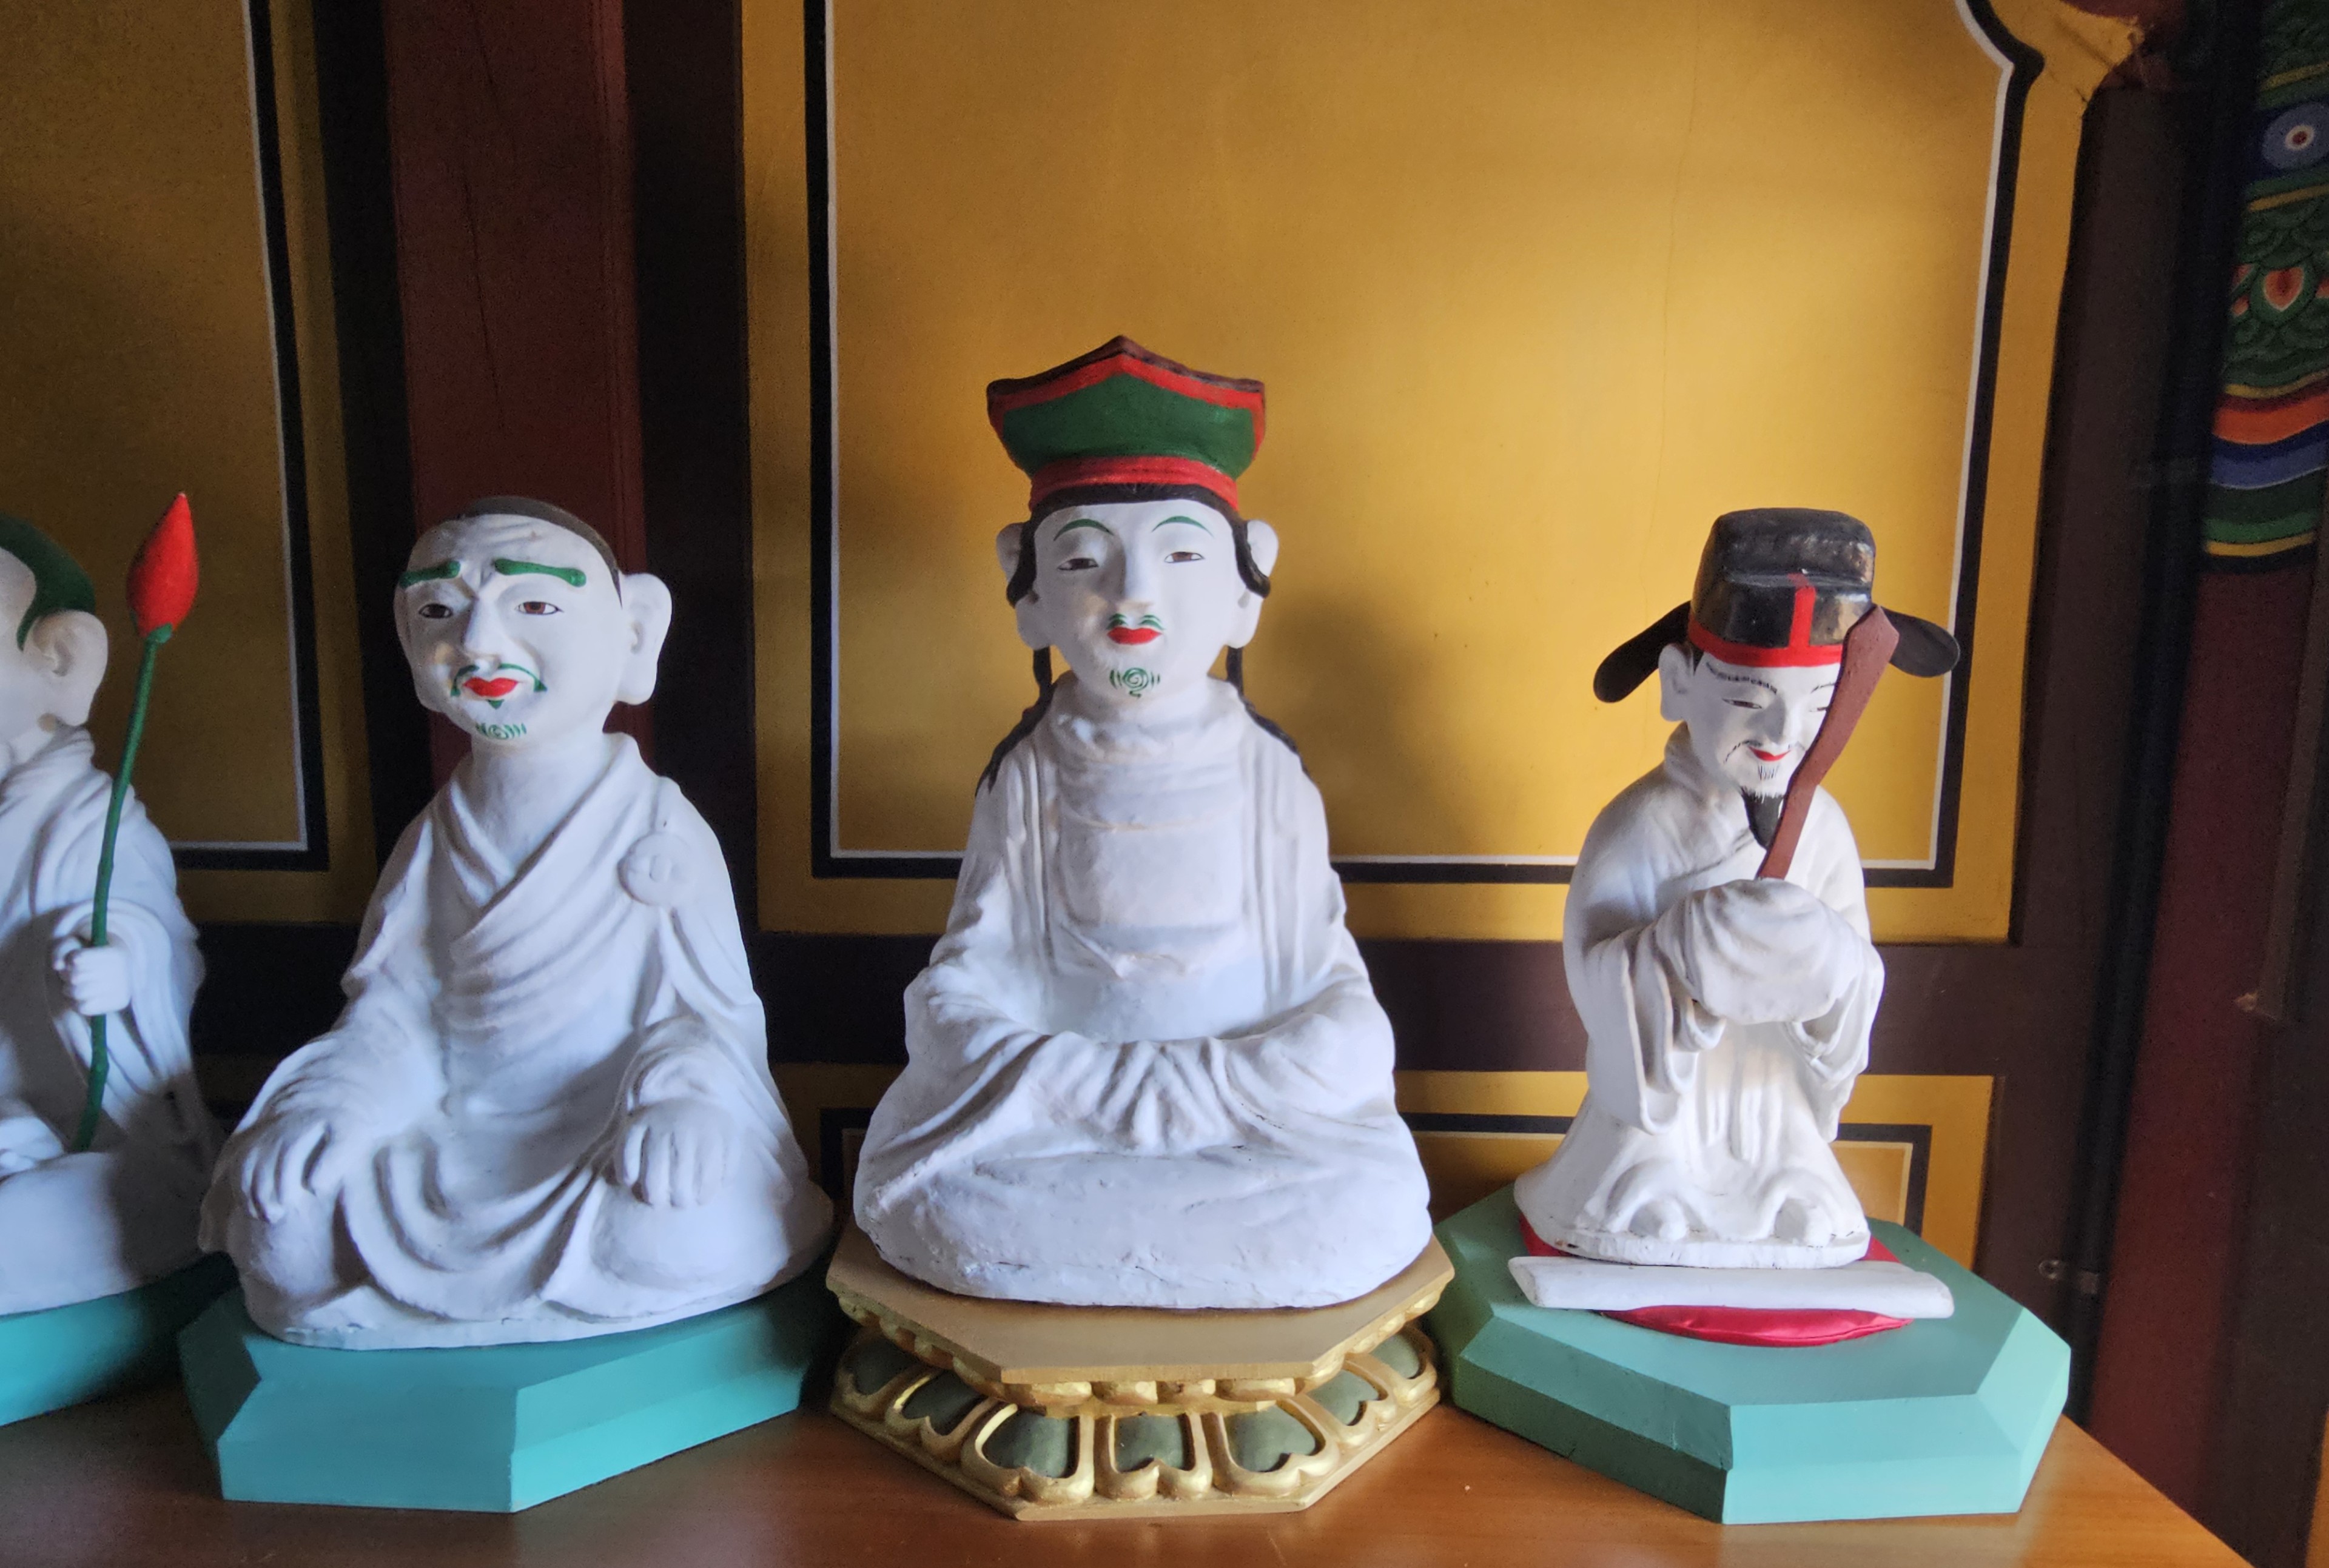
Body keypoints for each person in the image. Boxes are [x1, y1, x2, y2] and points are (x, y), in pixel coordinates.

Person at [855, 338, 1433, 1311]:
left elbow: (1333, 996)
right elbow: (964, 984)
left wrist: (1203, 1088)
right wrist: (1089, 1085)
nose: (1132, 594)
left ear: (1247, 587)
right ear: (1028, 594)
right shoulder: (1027, 779)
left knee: (1362, 1204)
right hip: (1063, 1118)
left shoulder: (1272, 781)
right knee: (958, 1206)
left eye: (1180, 553)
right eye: (1084, 558)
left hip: (1243, 1118)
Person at [204, 499, 830, 1349]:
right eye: (438, 610)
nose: (478, 641)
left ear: (634, 632)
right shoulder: (434, 838)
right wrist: (338, 1104)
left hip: (608, 1134)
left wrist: (682, 1105)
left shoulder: (658, 827)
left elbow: (703, 1015)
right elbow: (395, 1013)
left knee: (682, 1225)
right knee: (278, 1225)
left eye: (534, 603)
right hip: (444, 1138)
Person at [1514, 508, 1958, 1270]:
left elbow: (1860, 973)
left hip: (1771, 1102)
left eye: (1819, 704)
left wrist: (1826, 959)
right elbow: (1594, 971)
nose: (1782, 734)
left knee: (1805, 1200)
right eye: (1750, 700)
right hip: (1661, 1114)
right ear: (1678, 684)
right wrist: (1677, 953)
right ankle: (1650, 1178)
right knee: (1638, 1194)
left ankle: (1781, 1179)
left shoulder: (1823, 830)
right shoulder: (1639, 824)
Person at [0, 515, 214, 1315]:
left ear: (58, 659)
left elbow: (161, 938)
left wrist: (120, 962)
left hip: (82, 1129)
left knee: (72, 1213)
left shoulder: (94, 823)